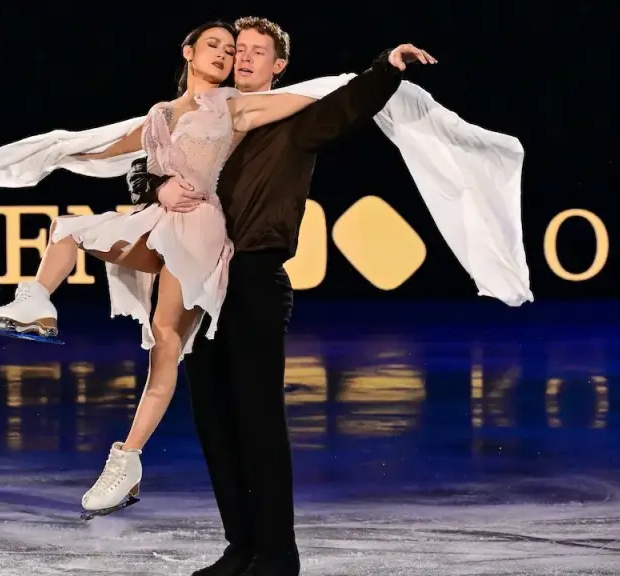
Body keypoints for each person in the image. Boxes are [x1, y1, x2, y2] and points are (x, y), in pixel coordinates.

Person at [0, 20, 414, 522]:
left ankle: (131, 461)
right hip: (163, 217)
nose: (230, 56)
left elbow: (321, 101)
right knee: (73, 237)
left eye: (237, 51)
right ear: (187, 52)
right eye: (221, 46)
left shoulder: (235, 107)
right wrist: (55, 154)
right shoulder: (162, 114)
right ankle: (40, 311)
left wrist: (380, 73)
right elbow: (114, 151)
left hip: (202, 232)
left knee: (173, 350)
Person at [125, 17, 434, 576]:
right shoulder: (202, 119)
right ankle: (240, 547)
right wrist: (152, 186)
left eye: (256, 52)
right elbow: (145, 162)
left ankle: (276, 552)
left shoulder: (293, 122)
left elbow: (344, 106)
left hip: (252, 281)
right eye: (237, 50)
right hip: (194, 281)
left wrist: (386, 67)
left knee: (257, 419)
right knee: (214, 421)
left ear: (279, 66)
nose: (242, 58)